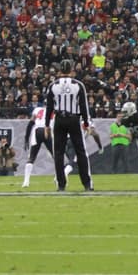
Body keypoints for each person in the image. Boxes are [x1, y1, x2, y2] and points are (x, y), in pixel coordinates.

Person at [44, 60, 93, 192]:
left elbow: (49, 108)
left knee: (59, 153)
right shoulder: (78, 85)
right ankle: (87, 184)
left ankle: (61, 184)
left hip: (59, 119)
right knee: (81, 151)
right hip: (73, 119)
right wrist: (86, 123)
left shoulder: (53, 85)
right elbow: (84, 106)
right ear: (71, 71)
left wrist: (47, 125)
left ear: (60, 71)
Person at [21, 104, 54, 189]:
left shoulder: (37, 109)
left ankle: (26, 181)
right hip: (47, 130)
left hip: (37, 131)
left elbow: (31, 123)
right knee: (56, 156)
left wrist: (26, 138)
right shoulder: (54, 110)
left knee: (32, 157)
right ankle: (59, 178)